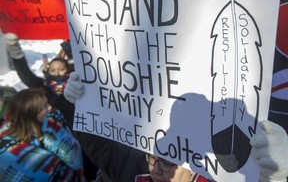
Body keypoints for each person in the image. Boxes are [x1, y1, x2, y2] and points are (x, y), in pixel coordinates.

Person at [64, 72, 288, 182]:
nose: (158, 168)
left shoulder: (222, 174)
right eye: (154, 157)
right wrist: (83, 103)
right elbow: (99, 143)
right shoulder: (135, 165)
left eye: (170, 160)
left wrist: (275, 175)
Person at [3, 32, 98, 181]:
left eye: (61, 69)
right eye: (52, 70)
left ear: (68, 71)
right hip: (53, 144)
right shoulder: (44, 89)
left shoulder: (79, 87)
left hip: (82, 138)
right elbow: (26, 75)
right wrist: (15, 51)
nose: (56, 73)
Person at [0, 87, 86, 181]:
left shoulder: (5, 130)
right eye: (45, 106)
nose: (49, 107)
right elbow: (73, 156)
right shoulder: (50, 129)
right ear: (33, 113)